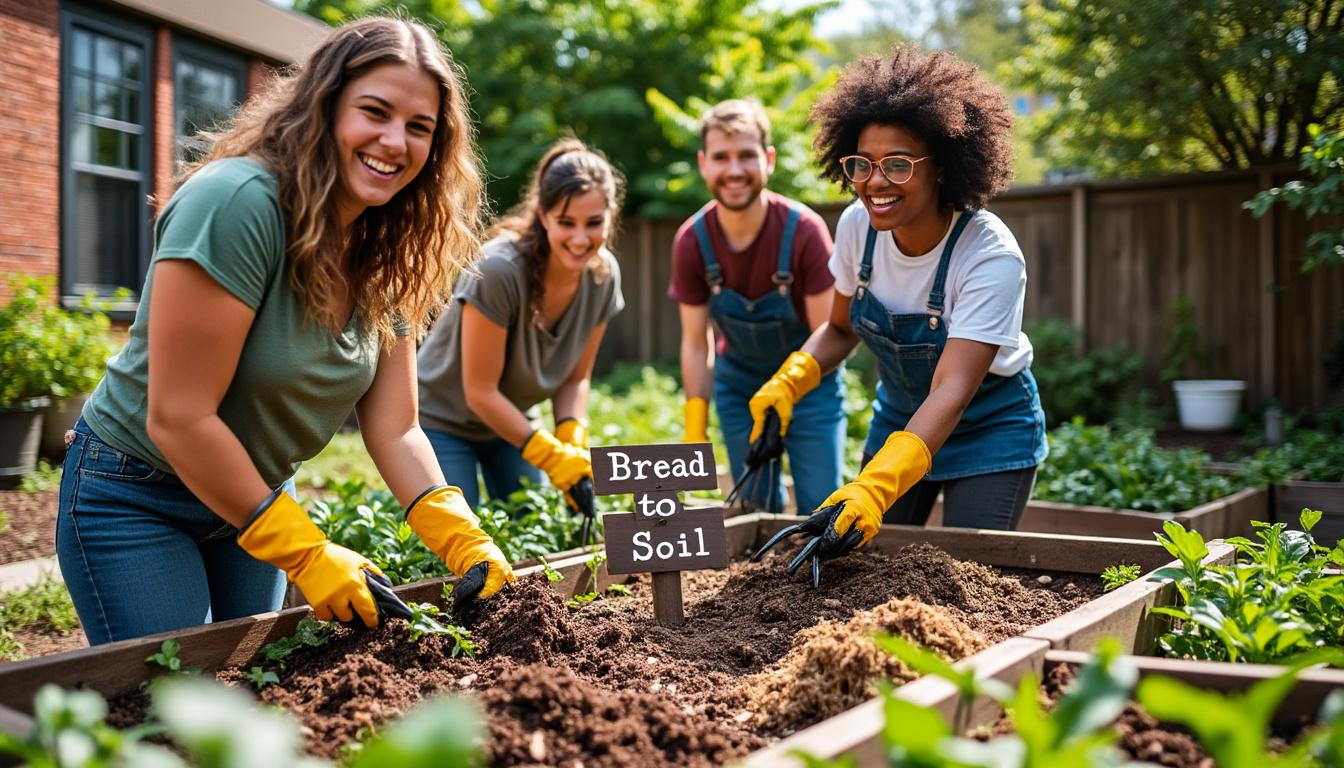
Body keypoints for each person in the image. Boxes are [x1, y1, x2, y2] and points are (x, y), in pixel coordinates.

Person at [56, 17, 513, 646]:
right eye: (374, 112)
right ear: (323, 108)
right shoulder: (238, 203)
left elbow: (396, 426)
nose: (394, 141)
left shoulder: (386, 243)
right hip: (139, 493)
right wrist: (305, 552)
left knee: (258, 690)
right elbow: (179, 416)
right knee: (175, 714)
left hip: (255, 491)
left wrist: (461, 536)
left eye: (419, 127)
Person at [750, 46, 1047, 554]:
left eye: (898, 164)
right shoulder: (855, 228)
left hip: (989, 426)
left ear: (943, 169)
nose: (876, 182)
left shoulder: (989, 255)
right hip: (899, 417)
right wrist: (791, 379)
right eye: (862, 164)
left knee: (965, 575)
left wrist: (875, 485)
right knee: (862, 561)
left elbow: (952, 389)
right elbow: (841, 328)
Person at [417, 138, 624, 512]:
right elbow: (479, 391)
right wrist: (549, 455)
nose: (581, 238)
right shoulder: (499, 270)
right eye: (566, 223)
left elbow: (575, 377)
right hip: (441, 420)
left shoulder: (603, 276)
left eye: (594, 223)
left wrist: (570, 439)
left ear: (610, 216)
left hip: (510, 425)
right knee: (463, 532)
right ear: (543, 215)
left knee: (532, 520)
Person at [668, 100, 844, 513]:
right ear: (703, 164)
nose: (734, 170)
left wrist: (789, 386)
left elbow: (830, 331)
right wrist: (695, 424)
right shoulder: (692, 241)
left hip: (809, 389)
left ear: (768, 159)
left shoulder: (804, 232)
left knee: (821, 510)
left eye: (746, 155)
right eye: (721, 158)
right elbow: (696, 342)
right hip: (740, 386)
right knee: (755, 509)